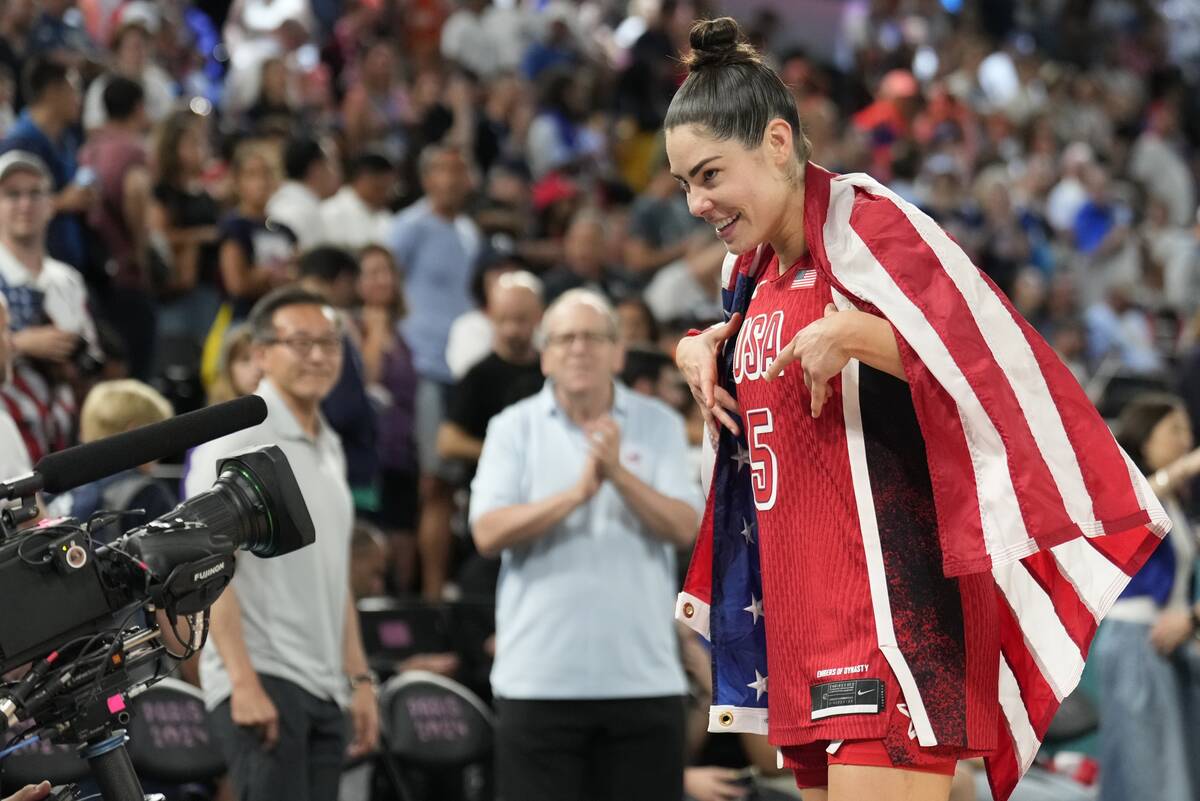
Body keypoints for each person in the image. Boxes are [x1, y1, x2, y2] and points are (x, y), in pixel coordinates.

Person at [667, 18, 1168, 801]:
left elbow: (1001, 369)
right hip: (803, 610)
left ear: (774, 142)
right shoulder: (752, 269)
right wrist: (697, 347)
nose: (696, 203)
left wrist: (868, 336)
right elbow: (764, 348)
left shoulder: (868, 222)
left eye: (708, 174)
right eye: (683, 184)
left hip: (896, 617)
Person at [469, 288, 704, 801]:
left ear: (618, 352)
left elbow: (686, 527)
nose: (579, 349)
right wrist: (577, 494)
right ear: (546, 353)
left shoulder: (658, 423)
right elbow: (487, 531)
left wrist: (619, 476)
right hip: (538, 683)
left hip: (643, 682)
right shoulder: (512, 428)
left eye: (593, 337)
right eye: (566, 338)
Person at [185, 286, 379, 801]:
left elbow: (334, 575)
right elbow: (208, 566)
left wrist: (358, 680)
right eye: (300, 342)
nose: (318, 355)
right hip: (264, 678)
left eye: (329, 342)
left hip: (324, 686)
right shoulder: (235, 436)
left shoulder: (329, 442)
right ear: (261, 353)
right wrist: (241, 681)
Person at [1094, 393, 1200, 801]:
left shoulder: (1176, 503)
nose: (1186, 439)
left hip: (1168, 642)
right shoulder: (1132, 493)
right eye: (1175, 429)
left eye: (1188, 429)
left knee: (1166, 772)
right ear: (1145, 438)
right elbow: (1147, 496)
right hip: (1136, 641)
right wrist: (1185, 467)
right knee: (1152, 781)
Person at [389, 142, 480, 599]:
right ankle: (425, 594)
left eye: (459, 171)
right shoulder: (407, 226)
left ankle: (439, 589)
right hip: (422, 366)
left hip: (460, 369)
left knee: (445, 485)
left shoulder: (468, 232)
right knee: (432, 483)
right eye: (443, 170)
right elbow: (386, 285)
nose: (451, 180)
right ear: (426, 178)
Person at [0, 150, 101, 462]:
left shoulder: (67, 279)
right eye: (12, 194)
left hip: (63, 440)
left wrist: (71, 359)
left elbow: (92, 364)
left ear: (51, 204)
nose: (25, 204)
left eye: (35, 193)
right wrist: (23, 344)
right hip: (8, 440)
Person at [266, 135, 340, 252]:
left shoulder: (298, 203)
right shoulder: (295, 210)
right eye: (329, 165)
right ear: (316, 169)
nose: (335, 173)